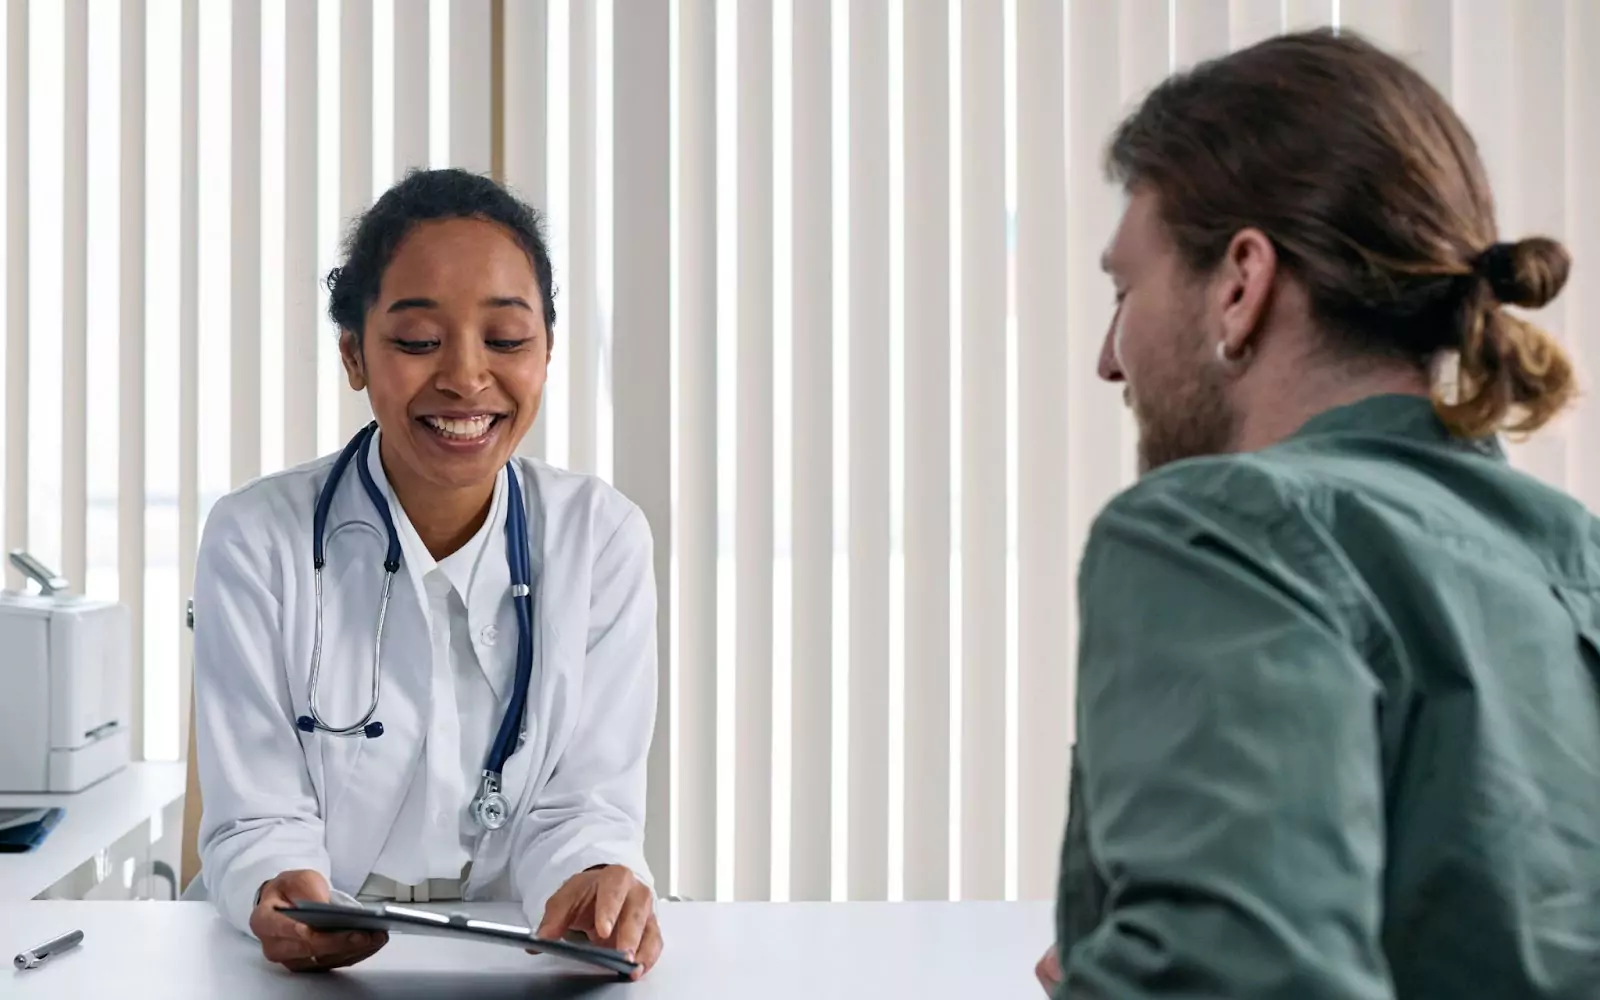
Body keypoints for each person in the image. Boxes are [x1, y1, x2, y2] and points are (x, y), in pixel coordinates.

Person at [1036, 29, 1599, 999]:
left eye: (1124, 288)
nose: (1108, 360)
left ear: (1242, 282)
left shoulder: (1218, 533)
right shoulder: (1573, 560)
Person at [191, 168, 663, 977]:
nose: (466, 377)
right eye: (416, 342)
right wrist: (283, 889)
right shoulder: (255, 538)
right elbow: (257, 815)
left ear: (547, 352)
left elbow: (585, 804)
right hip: (301, 968)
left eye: (507, 340)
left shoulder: (600, 537)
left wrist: (593, 882)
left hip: (521, 954)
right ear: (353, 354)